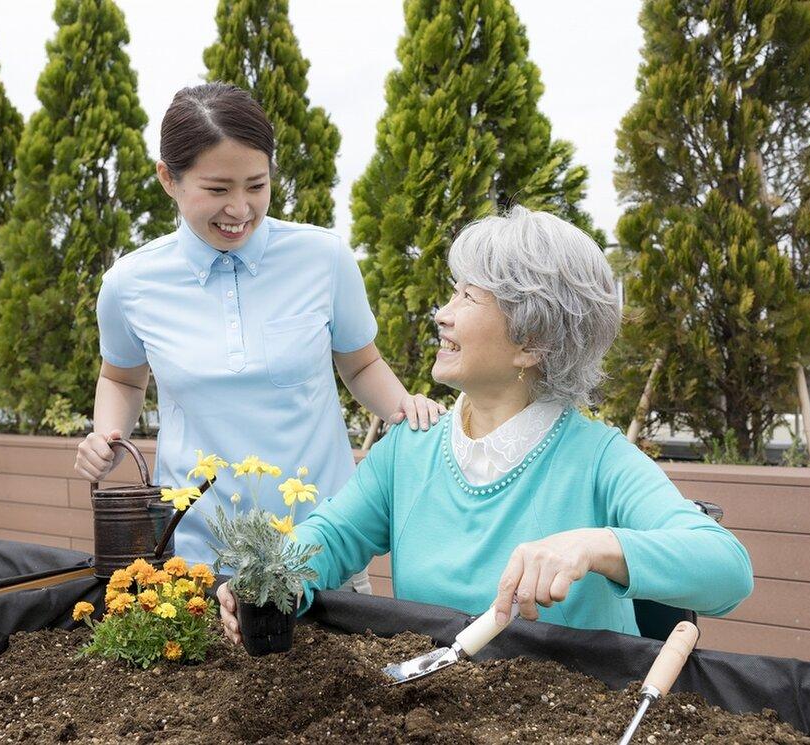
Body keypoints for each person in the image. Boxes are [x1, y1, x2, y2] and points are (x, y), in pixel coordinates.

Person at [218, 205, 753, 642]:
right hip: (431, 709)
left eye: (467, 298)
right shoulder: (411, 447)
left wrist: (593, 547)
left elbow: (728, 569)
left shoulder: (597, 459)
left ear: (532, 343)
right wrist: (269, 575)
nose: (442, 314)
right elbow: (331, 537)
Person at [74, 83, 444, 583]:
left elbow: (360, 363)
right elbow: (121, 379)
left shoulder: (323, 258)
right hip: (198, 555)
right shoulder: (130, 284)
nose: (240, 209)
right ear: (169, 179)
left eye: (256, 185)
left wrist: (407, 412)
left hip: (323, 544)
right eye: (218, 189)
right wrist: (105, 435)